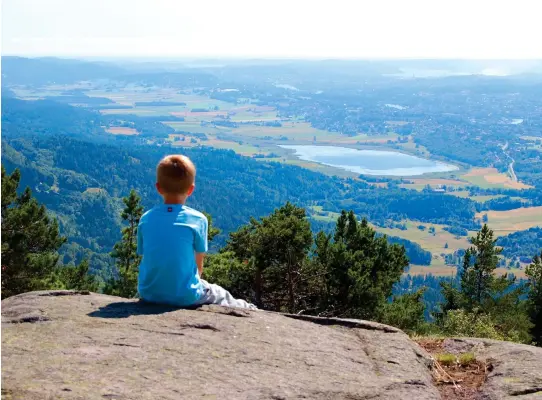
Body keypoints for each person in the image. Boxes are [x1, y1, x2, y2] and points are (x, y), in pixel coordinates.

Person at [137, 154, 256, 310]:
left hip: (149, 294)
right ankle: (252, 310)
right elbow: (199, 267)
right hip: (186, 296)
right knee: (220, 293)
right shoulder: (198, 220)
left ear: (158, 188)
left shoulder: (146, 219)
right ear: (191, 189)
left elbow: (145, 256)